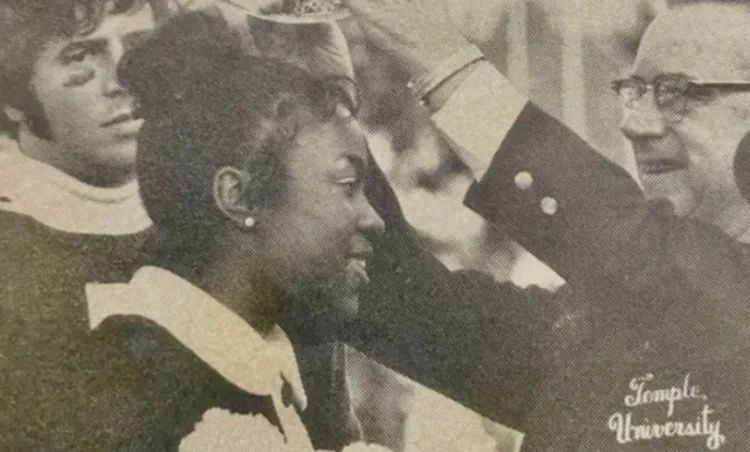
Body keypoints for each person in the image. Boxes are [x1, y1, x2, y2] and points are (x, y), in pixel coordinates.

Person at [340, 0, 750, 450]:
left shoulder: (678, 279)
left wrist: (436, 54)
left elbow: (632, 241)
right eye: (634, 91)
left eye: (676, 94)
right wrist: (325, 99)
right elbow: (403, 303)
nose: (633, 124)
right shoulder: (612, 314)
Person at [83, 10, 387, 450]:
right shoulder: (153, 401)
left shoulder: (257, 366)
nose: (375, 219)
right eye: (347, 184)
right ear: (239, 197)